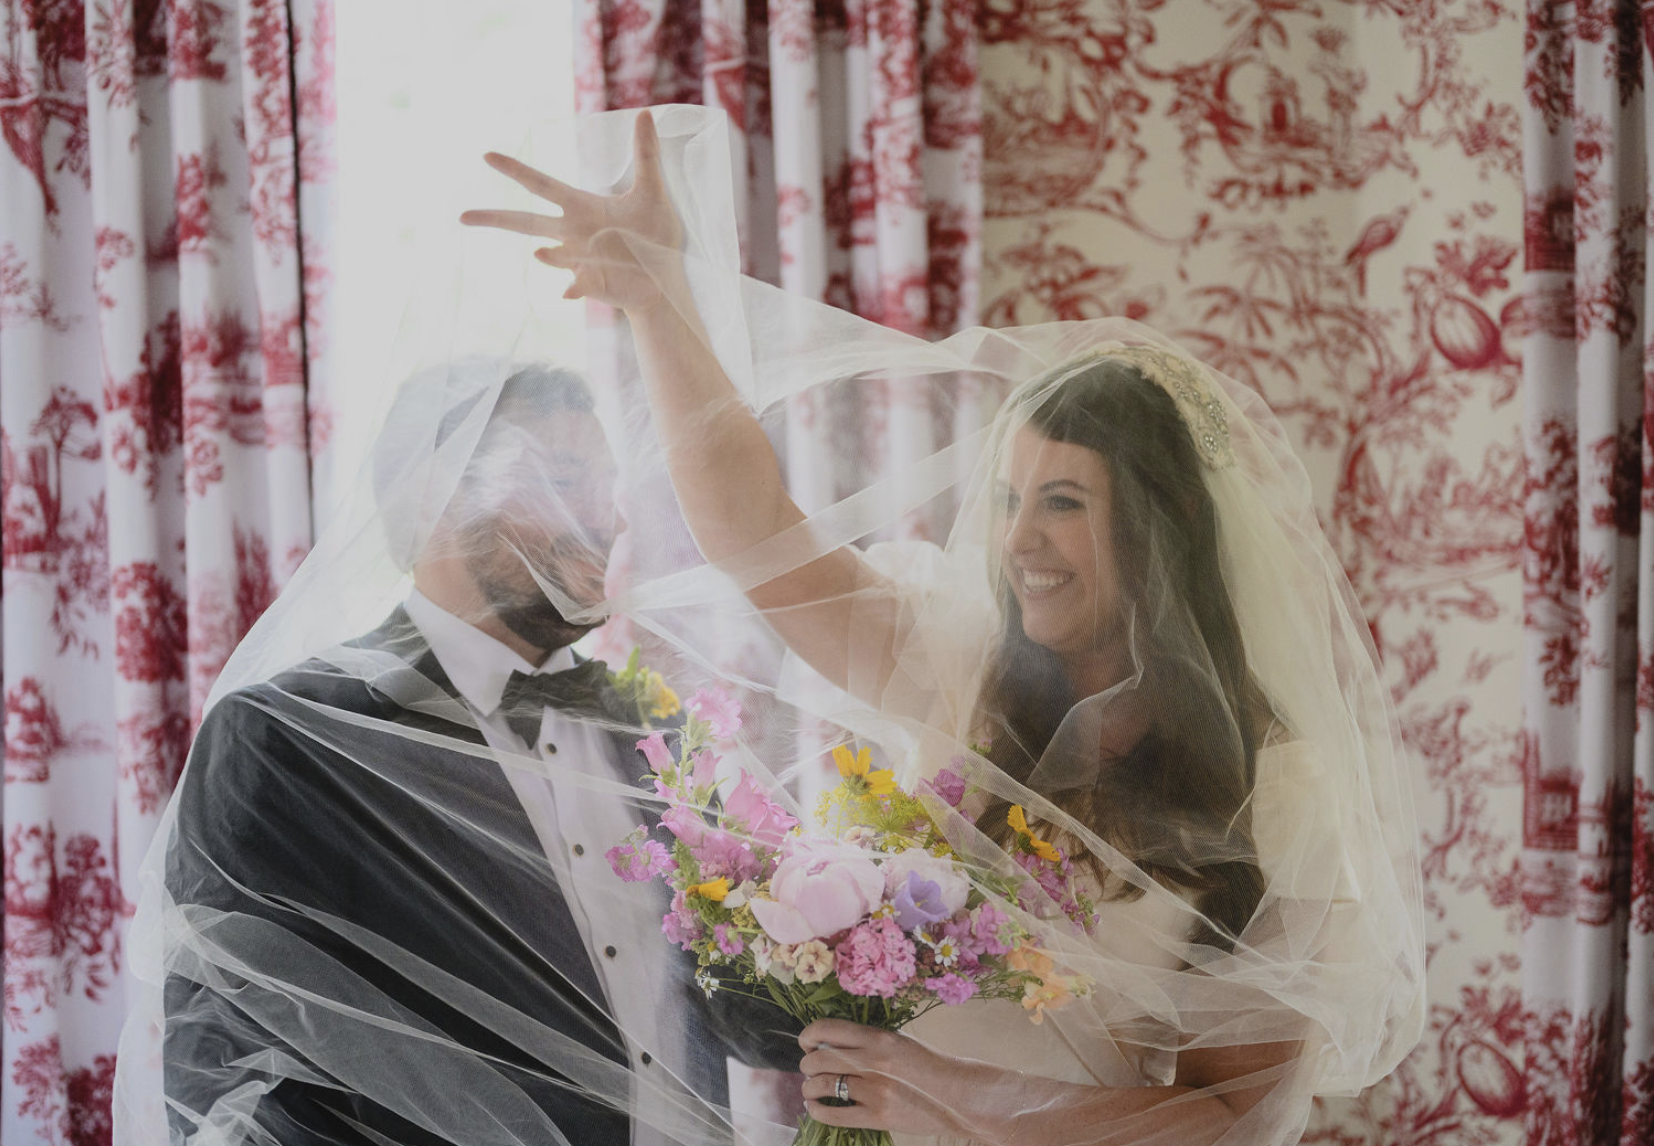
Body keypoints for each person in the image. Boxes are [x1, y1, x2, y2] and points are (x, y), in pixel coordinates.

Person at [460, 108, 1425, 1146]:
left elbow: (1232, 1120)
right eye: (1008, 500)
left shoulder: (1274, 792)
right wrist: (658, 300)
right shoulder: (956, 664)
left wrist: (949, 1094)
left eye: (1063, 502)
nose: (1019, 541)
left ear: (1168, 524)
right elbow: (753, 528)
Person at [125, 361, 802, 1146]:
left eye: (606, 486)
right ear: (437, 501)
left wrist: (858, 951)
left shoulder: (655, 729)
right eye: (563, 479)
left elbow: (732, 1004)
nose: (607, 518)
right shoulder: (291, 737)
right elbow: (231, 1067)